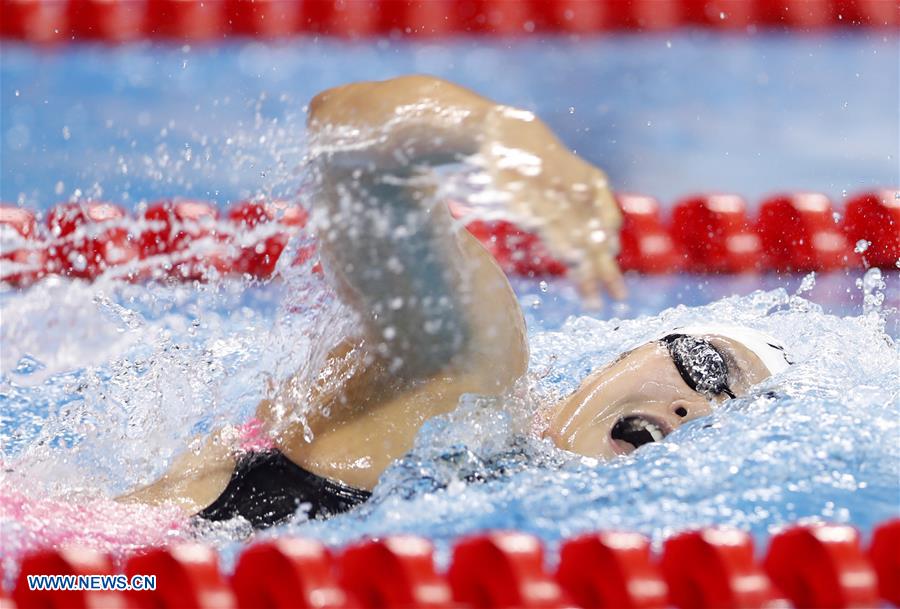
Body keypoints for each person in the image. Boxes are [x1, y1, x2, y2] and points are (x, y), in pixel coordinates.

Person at [119, 76, 790, 528]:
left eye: (730, 419)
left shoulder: (516, 487)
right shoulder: (476, 375)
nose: (695, 409)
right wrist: (505, 132)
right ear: (626, 353)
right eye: (706, 367)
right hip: (71, 573)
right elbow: (348, 135)